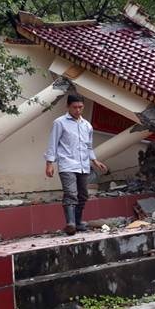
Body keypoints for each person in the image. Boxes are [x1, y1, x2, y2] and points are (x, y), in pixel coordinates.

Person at [44, 94, 107, 235]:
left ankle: (78, 222)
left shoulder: (87, 126)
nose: (78, 110)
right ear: (68, 107)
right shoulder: (59, 123)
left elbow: (88, 146)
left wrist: (95, 160)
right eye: (75, 107)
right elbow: (52, 143)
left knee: (83, 195)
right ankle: (70, 223)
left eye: (80, 107)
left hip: (83, 164)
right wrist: (49, 163)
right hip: (67, 163)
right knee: (71, 193)